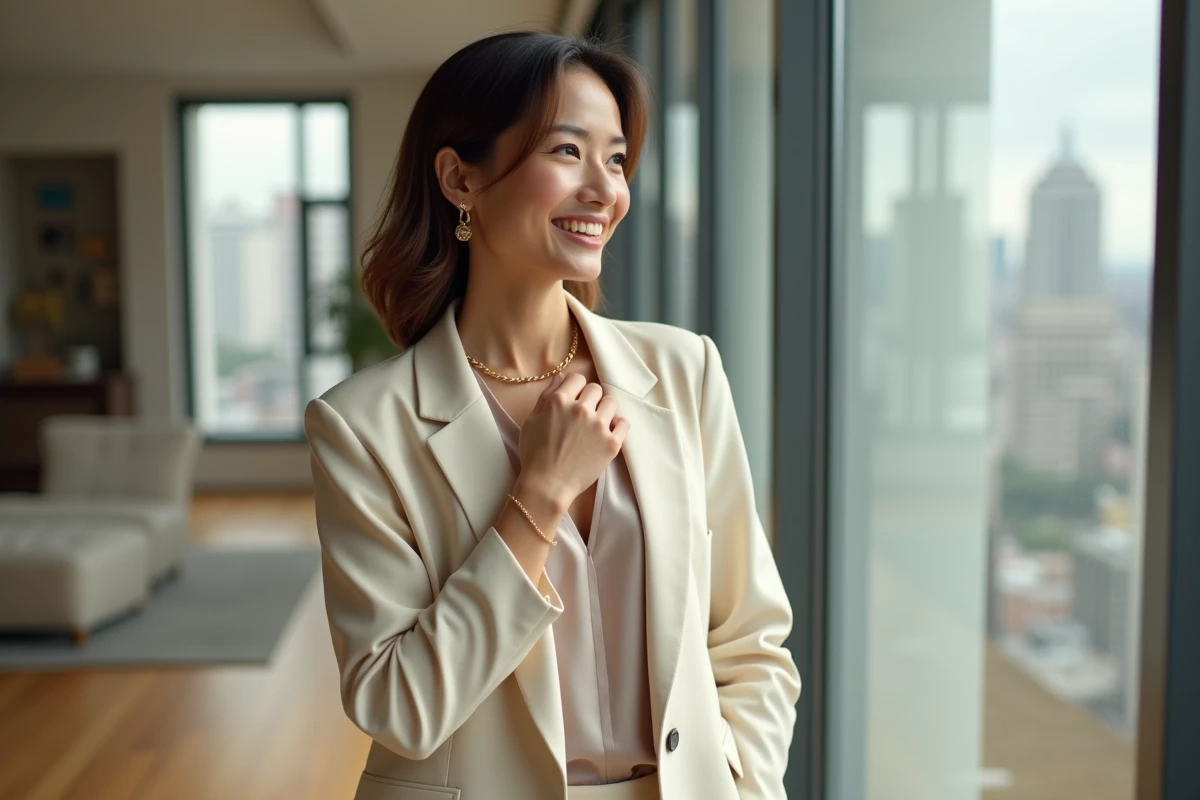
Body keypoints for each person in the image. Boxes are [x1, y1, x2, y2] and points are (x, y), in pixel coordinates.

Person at [304, 31, 801, 800]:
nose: (605, 189)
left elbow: (750, 638)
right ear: (459, 179)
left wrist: (744, 784)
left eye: (616, 159)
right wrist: (536, 498)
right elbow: (396, 704)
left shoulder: (684, 372)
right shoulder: (362, 426)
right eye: (568, 152)